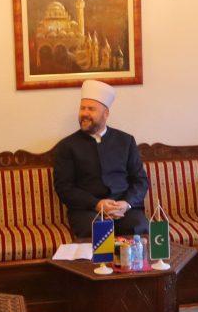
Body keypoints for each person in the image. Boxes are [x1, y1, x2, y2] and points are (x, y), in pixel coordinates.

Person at [53, 79, 150, 237]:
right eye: (82, 108)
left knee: (139, 227)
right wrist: (97, 204)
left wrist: (126, 203)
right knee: (99, 230)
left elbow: (141, 180)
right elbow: (64, 188)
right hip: (87, 210)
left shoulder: (126, 141)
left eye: (91, 109)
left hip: (122, 208)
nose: (84, 113)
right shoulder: (67, 146)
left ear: (106, 113)